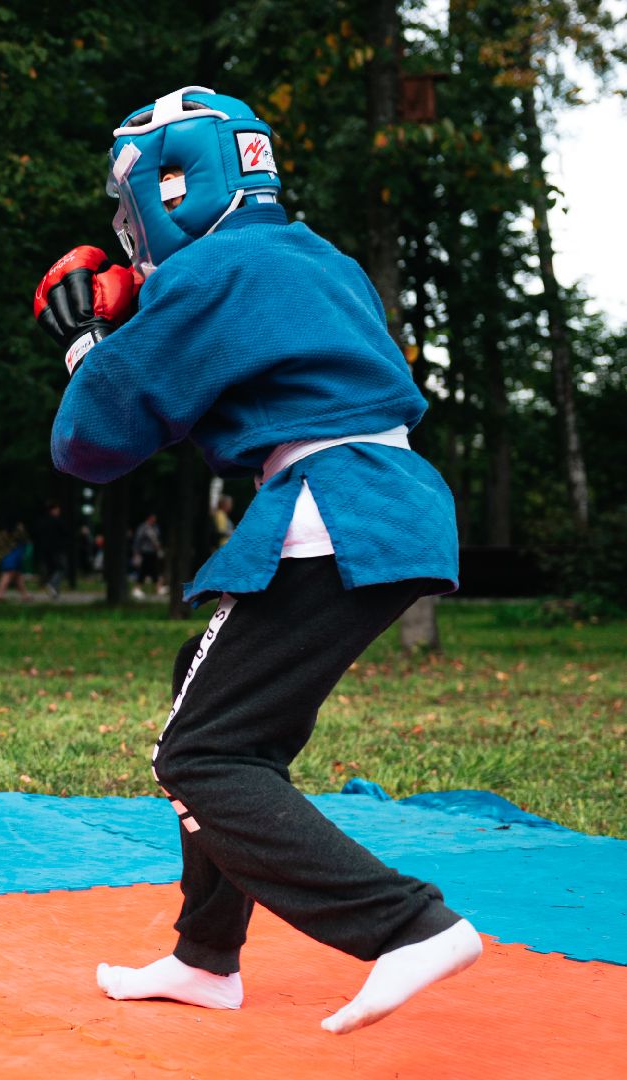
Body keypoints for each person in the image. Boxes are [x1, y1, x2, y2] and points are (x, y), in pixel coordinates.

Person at [33, 86, 478, 1034]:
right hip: (388, 500)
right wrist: (142, 297)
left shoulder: (216, 273)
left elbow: (94, 440)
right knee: (205, 691)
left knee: (201, 752)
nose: (128, 234)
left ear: (174, 184)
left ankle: (407, 926)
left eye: (131, 210)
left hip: (333, 507)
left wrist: (83, 341)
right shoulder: (318, 258)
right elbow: (255, 349)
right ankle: (206, 956)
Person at [33, 501, 70, 599]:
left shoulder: (41, 522)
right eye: (57, 510)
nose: (59, 512)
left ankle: (55, 593)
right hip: (57, 549)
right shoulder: (58, 522)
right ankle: (52, 585)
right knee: (61, 568)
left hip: (45, 550)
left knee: (52, 570)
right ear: (52, 510)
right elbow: (65, 534)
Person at [0, 519, 31, 599]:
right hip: (12, 554)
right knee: (9, 574)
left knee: (17, 575)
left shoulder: (4, 531)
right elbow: (24, 538)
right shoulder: (15, 531)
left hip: (9, 554)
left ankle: (25, 595)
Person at [131, 512, 163, 596]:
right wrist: (136, 552)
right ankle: (136, 589)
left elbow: (158, 538)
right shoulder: (143, 527)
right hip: (145, 552)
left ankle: (158, 588)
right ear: (149, 518)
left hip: (153, 552)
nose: (154, 520)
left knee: (155, 570)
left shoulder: (155, 527)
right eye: (153, 518)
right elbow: (138, 540)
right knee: (143, 570)